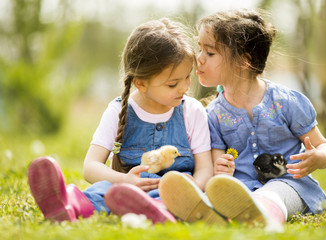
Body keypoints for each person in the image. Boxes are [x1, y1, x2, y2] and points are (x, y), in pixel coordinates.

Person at [27, 18, 217, 224]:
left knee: (184, 201)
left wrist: (194, 187)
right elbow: (91, 167)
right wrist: (125, 180)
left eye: (187, 77)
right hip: (124, 189)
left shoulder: (192, 111)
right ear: (141, 83)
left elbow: (205, 167)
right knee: (101, 191)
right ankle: (66, 204)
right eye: (173, 84)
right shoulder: (118, 110)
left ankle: (156, 211)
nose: (184, 88)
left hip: (174, 194)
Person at [159, 9, 326, 227]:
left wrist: (319, 157)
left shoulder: (285, 102)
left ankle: (264, 219)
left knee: (273, 193)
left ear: (243, 61)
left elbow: (324, 146)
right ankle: (207, 212)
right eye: (200, 49)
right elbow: (216, 166)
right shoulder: (213, 114)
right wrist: (220, 169)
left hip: (290, 186)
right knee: (221, 194)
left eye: (210, 53)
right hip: (239, 191)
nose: (199, 59)